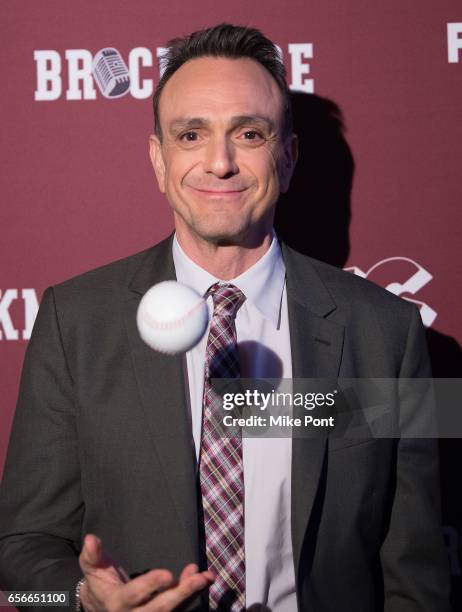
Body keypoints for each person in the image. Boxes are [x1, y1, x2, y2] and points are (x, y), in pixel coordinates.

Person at [0, 23, 451, 612]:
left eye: (249, 132)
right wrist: (82, 598)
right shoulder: (73, 322)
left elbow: (417, 577)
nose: (220, 162)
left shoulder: (388, 334)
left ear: (286, 159)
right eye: (191, 134)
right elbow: (17, 568)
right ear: (159, 160)